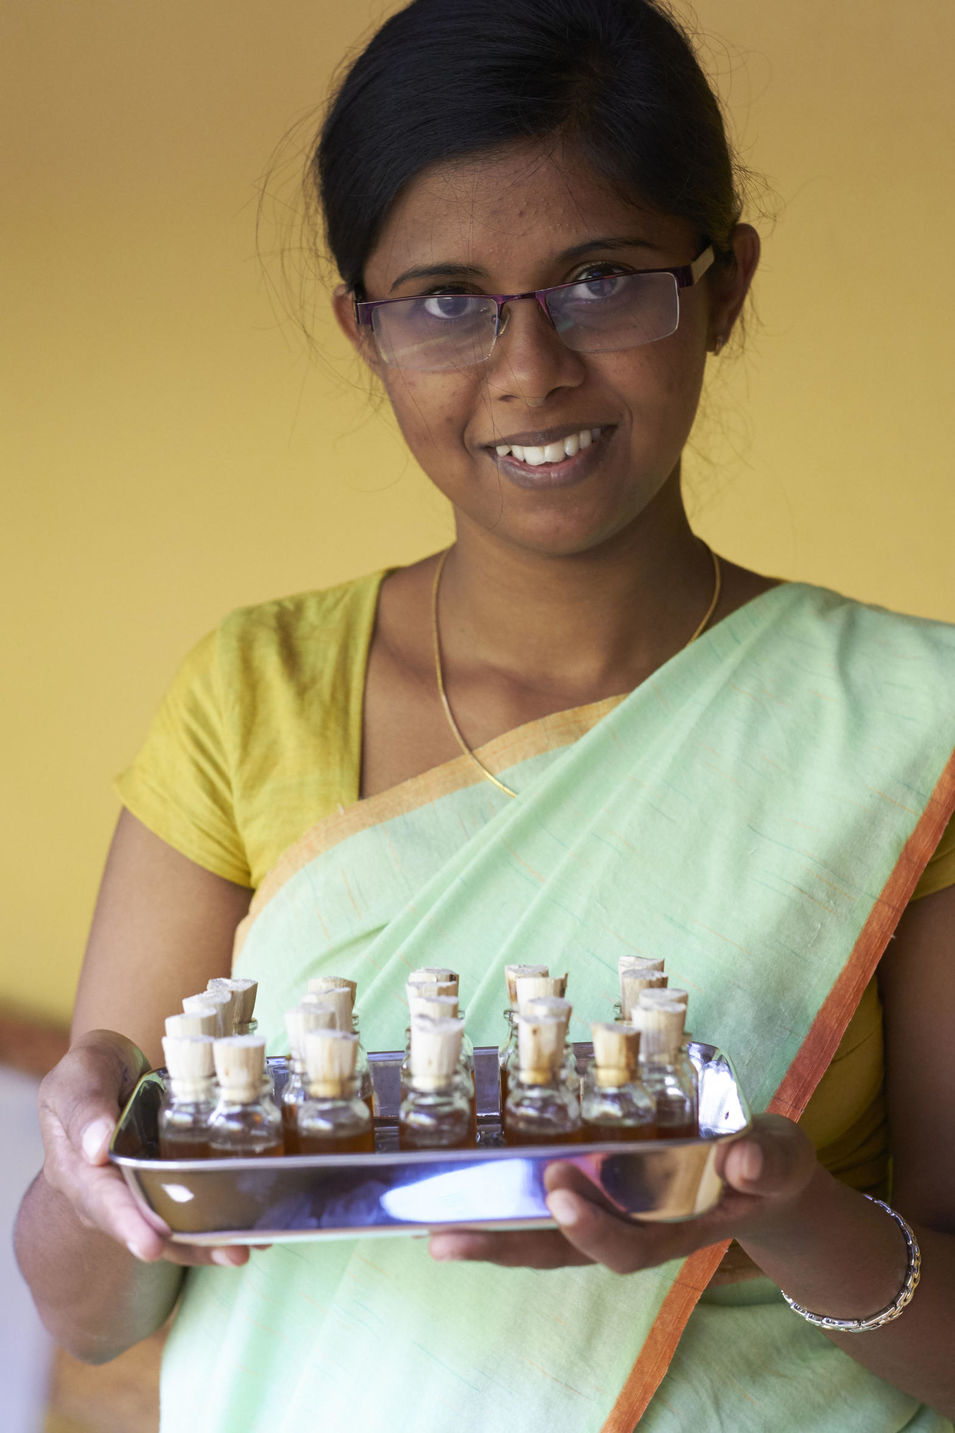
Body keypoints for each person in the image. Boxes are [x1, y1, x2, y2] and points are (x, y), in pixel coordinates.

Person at [15, 0, 955, 1428]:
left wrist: (780, 1207)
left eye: (604, 280)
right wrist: (92, 1165)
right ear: (364, 328)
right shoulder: (256, 694)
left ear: (726, 286)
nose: (530, 367)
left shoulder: (908, 720)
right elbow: (92, 1313)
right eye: (447, 298)